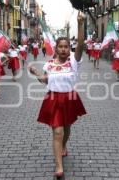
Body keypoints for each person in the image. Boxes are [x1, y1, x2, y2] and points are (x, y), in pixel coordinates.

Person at [28, 11, 87, 178]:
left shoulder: (74, 62)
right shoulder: (49, 64)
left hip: (69, 98)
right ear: (56, 48)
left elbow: (81, 45)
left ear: (69, 48)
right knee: (57, 132)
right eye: (60, 46)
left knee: (67, 129)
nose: (63, 49)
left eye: (66, 46)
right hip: (53, 99)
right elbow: (45, 80)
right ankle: (59, 167)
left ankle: (63, 146)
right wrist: (35, 73)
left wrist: (81, 24)